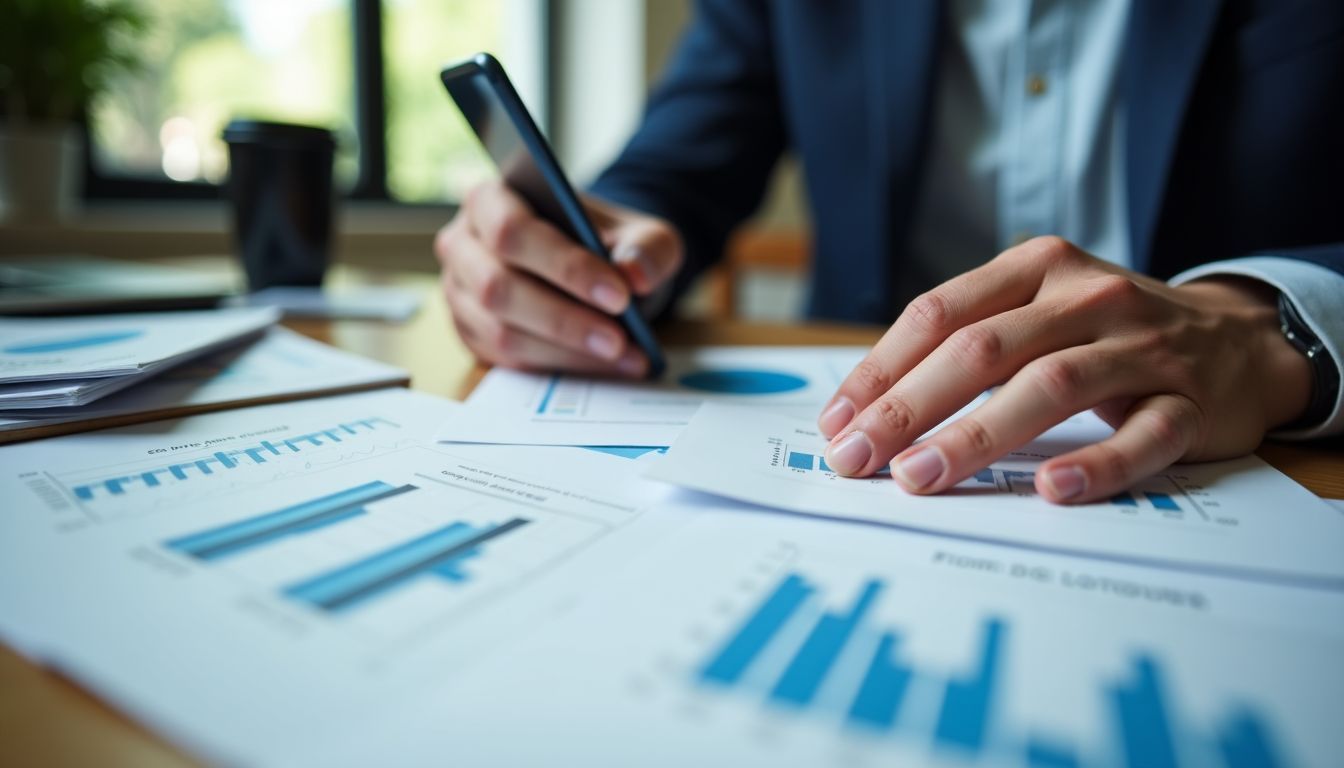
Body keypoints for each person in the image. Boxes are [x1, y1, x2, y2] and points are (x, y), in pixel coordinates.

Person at [435, 0, 1343, 504]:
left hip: (1237, 456)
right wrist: (586, 256)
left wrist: (1271, 324)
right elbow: (673, 168)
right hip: (865, 464)